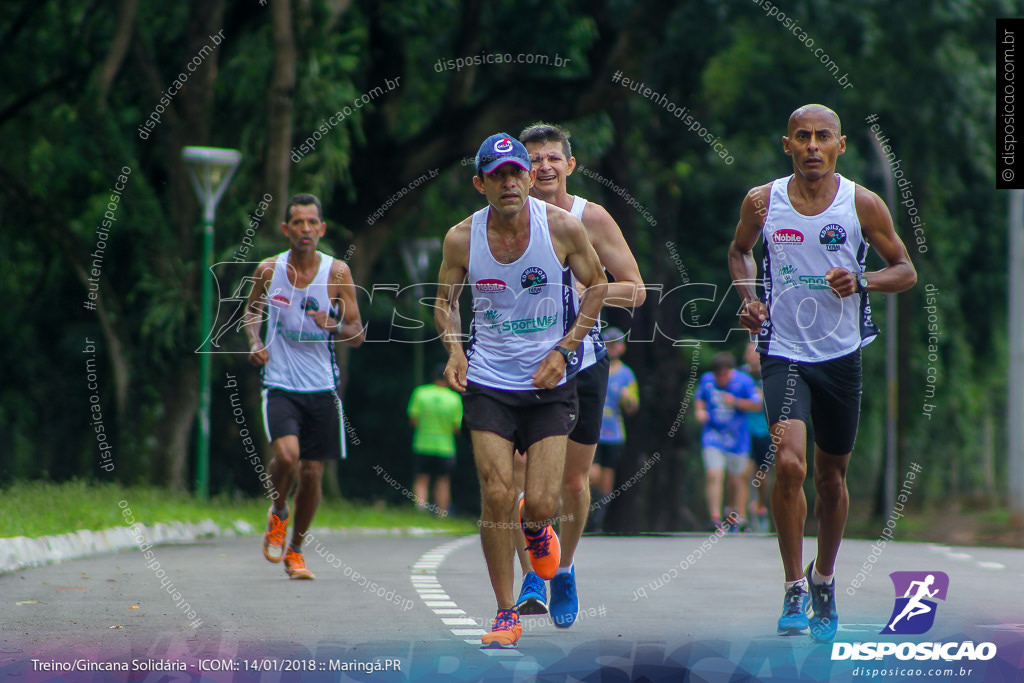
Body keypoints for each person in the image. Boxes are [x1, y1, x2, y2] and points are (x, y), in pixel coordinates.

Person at [728, 104, 916, 640]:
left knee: (831, 477)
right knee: (788, 464)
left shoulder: (862, 203)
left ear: (841, 145)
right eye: (802, 137)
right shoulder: (764, 202)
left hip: (840, 355)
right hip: (783, 350)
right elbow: (739, 252)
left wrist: (862, 280)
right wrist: (750, 300)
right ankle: (792, 585)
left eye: (823, 137)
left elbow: (905, 269)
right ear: (786, 144)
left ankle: (824, 578)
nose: (812, 146)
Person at [433, 132, 607, 647]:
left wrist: (565, 349)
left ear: (529, 178)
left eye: (516, 173)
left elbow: (597, 285)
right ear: (480, 183)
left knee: (542, 503)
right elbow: (445, 302)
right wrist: (455, 350)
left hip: (549, 381)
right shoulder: (461, 238)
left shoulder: (561, 227)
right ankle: (505, 612)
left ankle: (538, 530)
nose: (509, 182)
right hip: (488, 380)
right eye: (497, 175)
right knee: (496, 493)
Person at [511, 122, 646, 628]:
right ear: (519, 169)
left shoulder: (591, 217)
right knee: (522, 475)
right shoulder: (504, 220)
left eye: (553, 158)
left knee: (572, 480)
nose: (543, 167)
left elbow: (634, 290)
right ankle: (532, 577)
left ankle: (563, 568)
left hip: (583, 360)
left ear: (569, 165)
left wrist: (587, 293)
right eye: (533, 159)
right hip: (521, 363)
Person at [245, 193, 365, 580]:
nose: (306, 229)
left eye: (313, 222)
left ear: (322, 228)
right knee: (287, 456)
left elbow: (357, 332)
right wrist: (255, 341)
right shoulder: (269, 269)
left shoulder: (338, 273)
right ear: (286, 229)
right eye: (298, 222)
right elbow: (251, 311)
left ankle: (296, 550)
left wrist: (331, 325)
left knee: (312, 472)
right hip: (279, 382)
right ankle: (279, 512)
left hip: (322, 387)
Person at [694, 352, 761, 532]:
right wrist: (700, 412)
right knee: (714, 475)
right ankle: (715, 518)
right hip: (713, 435)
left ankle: (738, 516)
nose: (721, 378)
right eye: (718, 375)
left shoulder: (744, 381)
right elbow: (699, 399)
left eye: (724, 374)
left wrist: (736, 402)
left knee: (738, 479)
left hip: (738, 438)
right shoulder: (707, 380)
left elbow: (757, 404)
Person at [588, 326, 639, 533]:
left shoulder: (627, 374)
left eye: (616, 344)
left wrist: (628, 398)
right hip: (594, 430)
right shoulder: (595, 365)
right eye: (609, 344)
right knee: (593, 475)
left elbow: (633, 407)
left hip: (614, 433)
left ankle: (598, 521)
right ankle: (588, 514)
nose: (613, 348)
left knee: (607, 481)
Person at [407, 363, 463, 515]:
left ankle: (420, 510)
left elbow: (413, 419)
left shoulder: (421, 393)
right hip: (445, 447)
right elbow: (456, 427)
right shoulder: (454, 398)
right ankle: (442, 514)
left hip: (423, 443)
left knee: (421, 479)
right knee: (443, 481)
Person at [741, 342, 772, 532]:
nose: (753, 356)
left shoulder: (770, 373)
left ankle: (760, 506)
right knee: (744, 472)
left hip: (764, 430)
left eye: (756, 352)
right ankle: (741, 515)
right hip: (743, 431)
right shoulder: (739, 376)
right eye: (749, 352)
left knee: (762, 474)